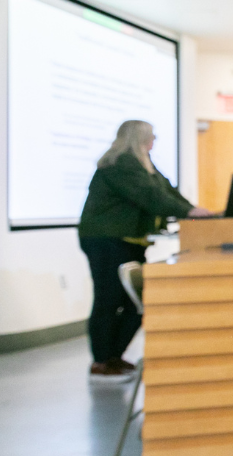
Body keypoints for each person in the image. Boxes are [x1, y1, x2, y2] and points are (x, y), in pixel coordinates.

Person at [77, 120, 213, 382]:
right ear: (139, 139)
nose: (154, 142)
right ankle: (101, 363)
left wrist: (194, 212)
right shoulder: (121, 162)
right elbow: (150, 196)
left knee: (135, 302)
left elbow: (166, 192)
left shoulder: (144, 164)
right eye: (152, 137)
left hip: (128, 241)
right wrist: (188, 212)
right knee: (109, 300)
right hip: (107, 241)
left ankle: (114, 356)